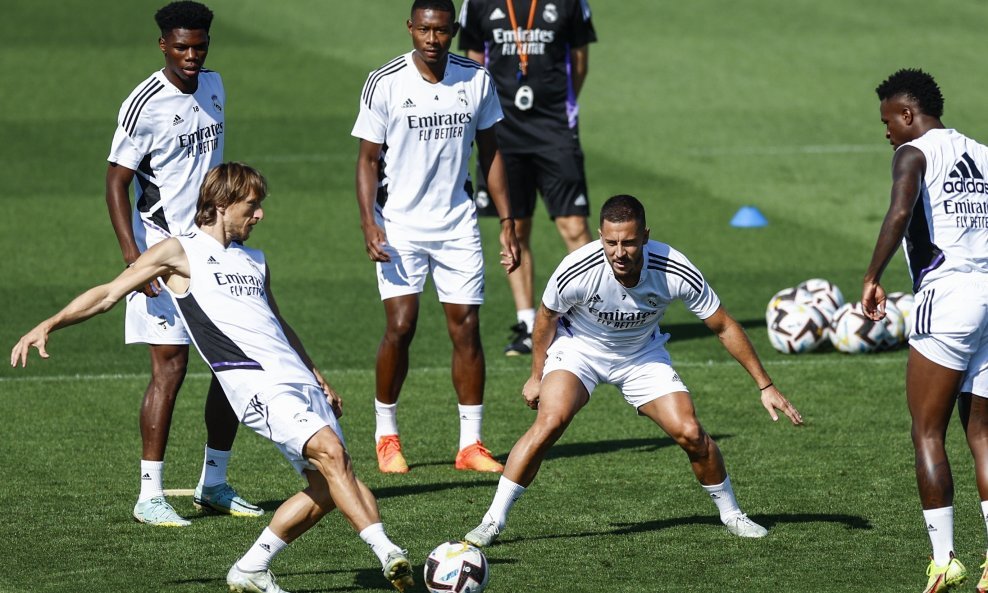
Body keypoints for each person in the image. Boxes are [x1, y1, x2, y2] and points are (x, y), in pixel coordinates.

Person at [11, 163, 415, 593]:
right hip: (254, 384)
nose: (258, 215)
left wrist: (317, 376)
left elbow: (277, 323)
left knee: (332, 484)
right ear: (222, 205)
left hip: (296, 380)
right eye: (251, 206)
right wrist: (50, 323)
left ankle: (251, 568)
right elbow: (109, 293)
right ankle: (388, 552)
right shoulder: (178, 253)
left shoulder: (255, 260)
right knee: (332, 453)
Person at [462, 194, 804, 548]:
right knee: (550, 421)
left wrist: (766, 385)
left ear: (645, 236)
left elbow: (723, 326)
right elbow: (546, 318)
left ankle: (732, 514)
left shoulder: (674, 268)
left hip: (641, 355)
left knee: (691, 433)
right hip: (580, 350)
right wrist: (536, 376)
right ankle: (492, 520)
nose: (619, 252)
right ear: (600, 236)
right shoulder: (576, 268)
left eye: (628, 242)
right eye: (610, 242)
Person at [104, 1, 260, 526]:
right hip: (163, 250)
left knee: (232, 362)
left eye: (200, 46)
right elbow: (116, 181)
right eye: (182, 47)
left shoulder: (215, 86)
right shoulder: (144, 102)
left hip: (214, 249)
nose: (192, 56)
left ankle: (213, 483)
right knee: (169, 367)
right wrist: (133, 257)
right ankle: (149, 494)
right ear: (163, 45)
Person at [352, 0, 521, 474]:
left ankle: (471, 445)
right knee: (401, 326)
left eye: (442, 31)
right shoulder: (385, 82)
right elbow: (367, 160)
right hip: (399, 224)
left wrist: (507, 221)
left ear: (453, 31)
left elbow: (491, 154)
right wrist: (369, 221)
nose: (432, 39)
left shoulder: (476, 80)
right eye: (424, 30)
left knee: (466, 327)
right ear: (410, 28)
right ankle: (386, 435)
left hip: (456, 223)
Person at [863, 68, 988, 593]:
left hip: (951, 299)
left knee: (927, 430)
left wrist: (872, 276)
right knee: (983, 434)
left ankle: (945, 560)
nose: (886, 131)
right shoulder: (983, 154)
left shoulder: (913, 154)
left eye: (888, 120)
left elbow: (899, 212)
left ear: (908, 114)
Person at [458, 0, 596, 356]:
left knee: (574, 225)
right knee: (515, 227)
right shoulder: (478, 4)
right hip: (502, 129)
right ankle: (526, 322)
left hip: (554, 129)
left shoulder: (569, 2)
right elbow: (475, 61)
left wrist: (559, 106)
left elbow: (579, 62)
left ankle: (594, 318)